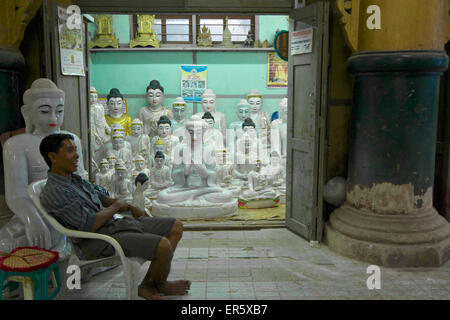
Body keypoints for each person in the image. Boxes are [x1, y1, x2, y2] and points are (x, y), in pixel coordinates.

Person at [39, 133, 190, 300]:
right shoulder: (54, 192)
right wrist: (117, 206)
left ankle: (154, 283)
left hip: (114, 226)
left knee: (176, 226)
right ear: (53, 157)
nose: (76, 155)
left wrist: (131, 206)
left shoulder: (74, 179)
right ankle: (152, 286)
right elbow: (90, 225)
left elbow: (104, 198)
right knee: (163, 246)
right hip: (97, 241)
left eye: (76, 150)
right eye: (70, 151)